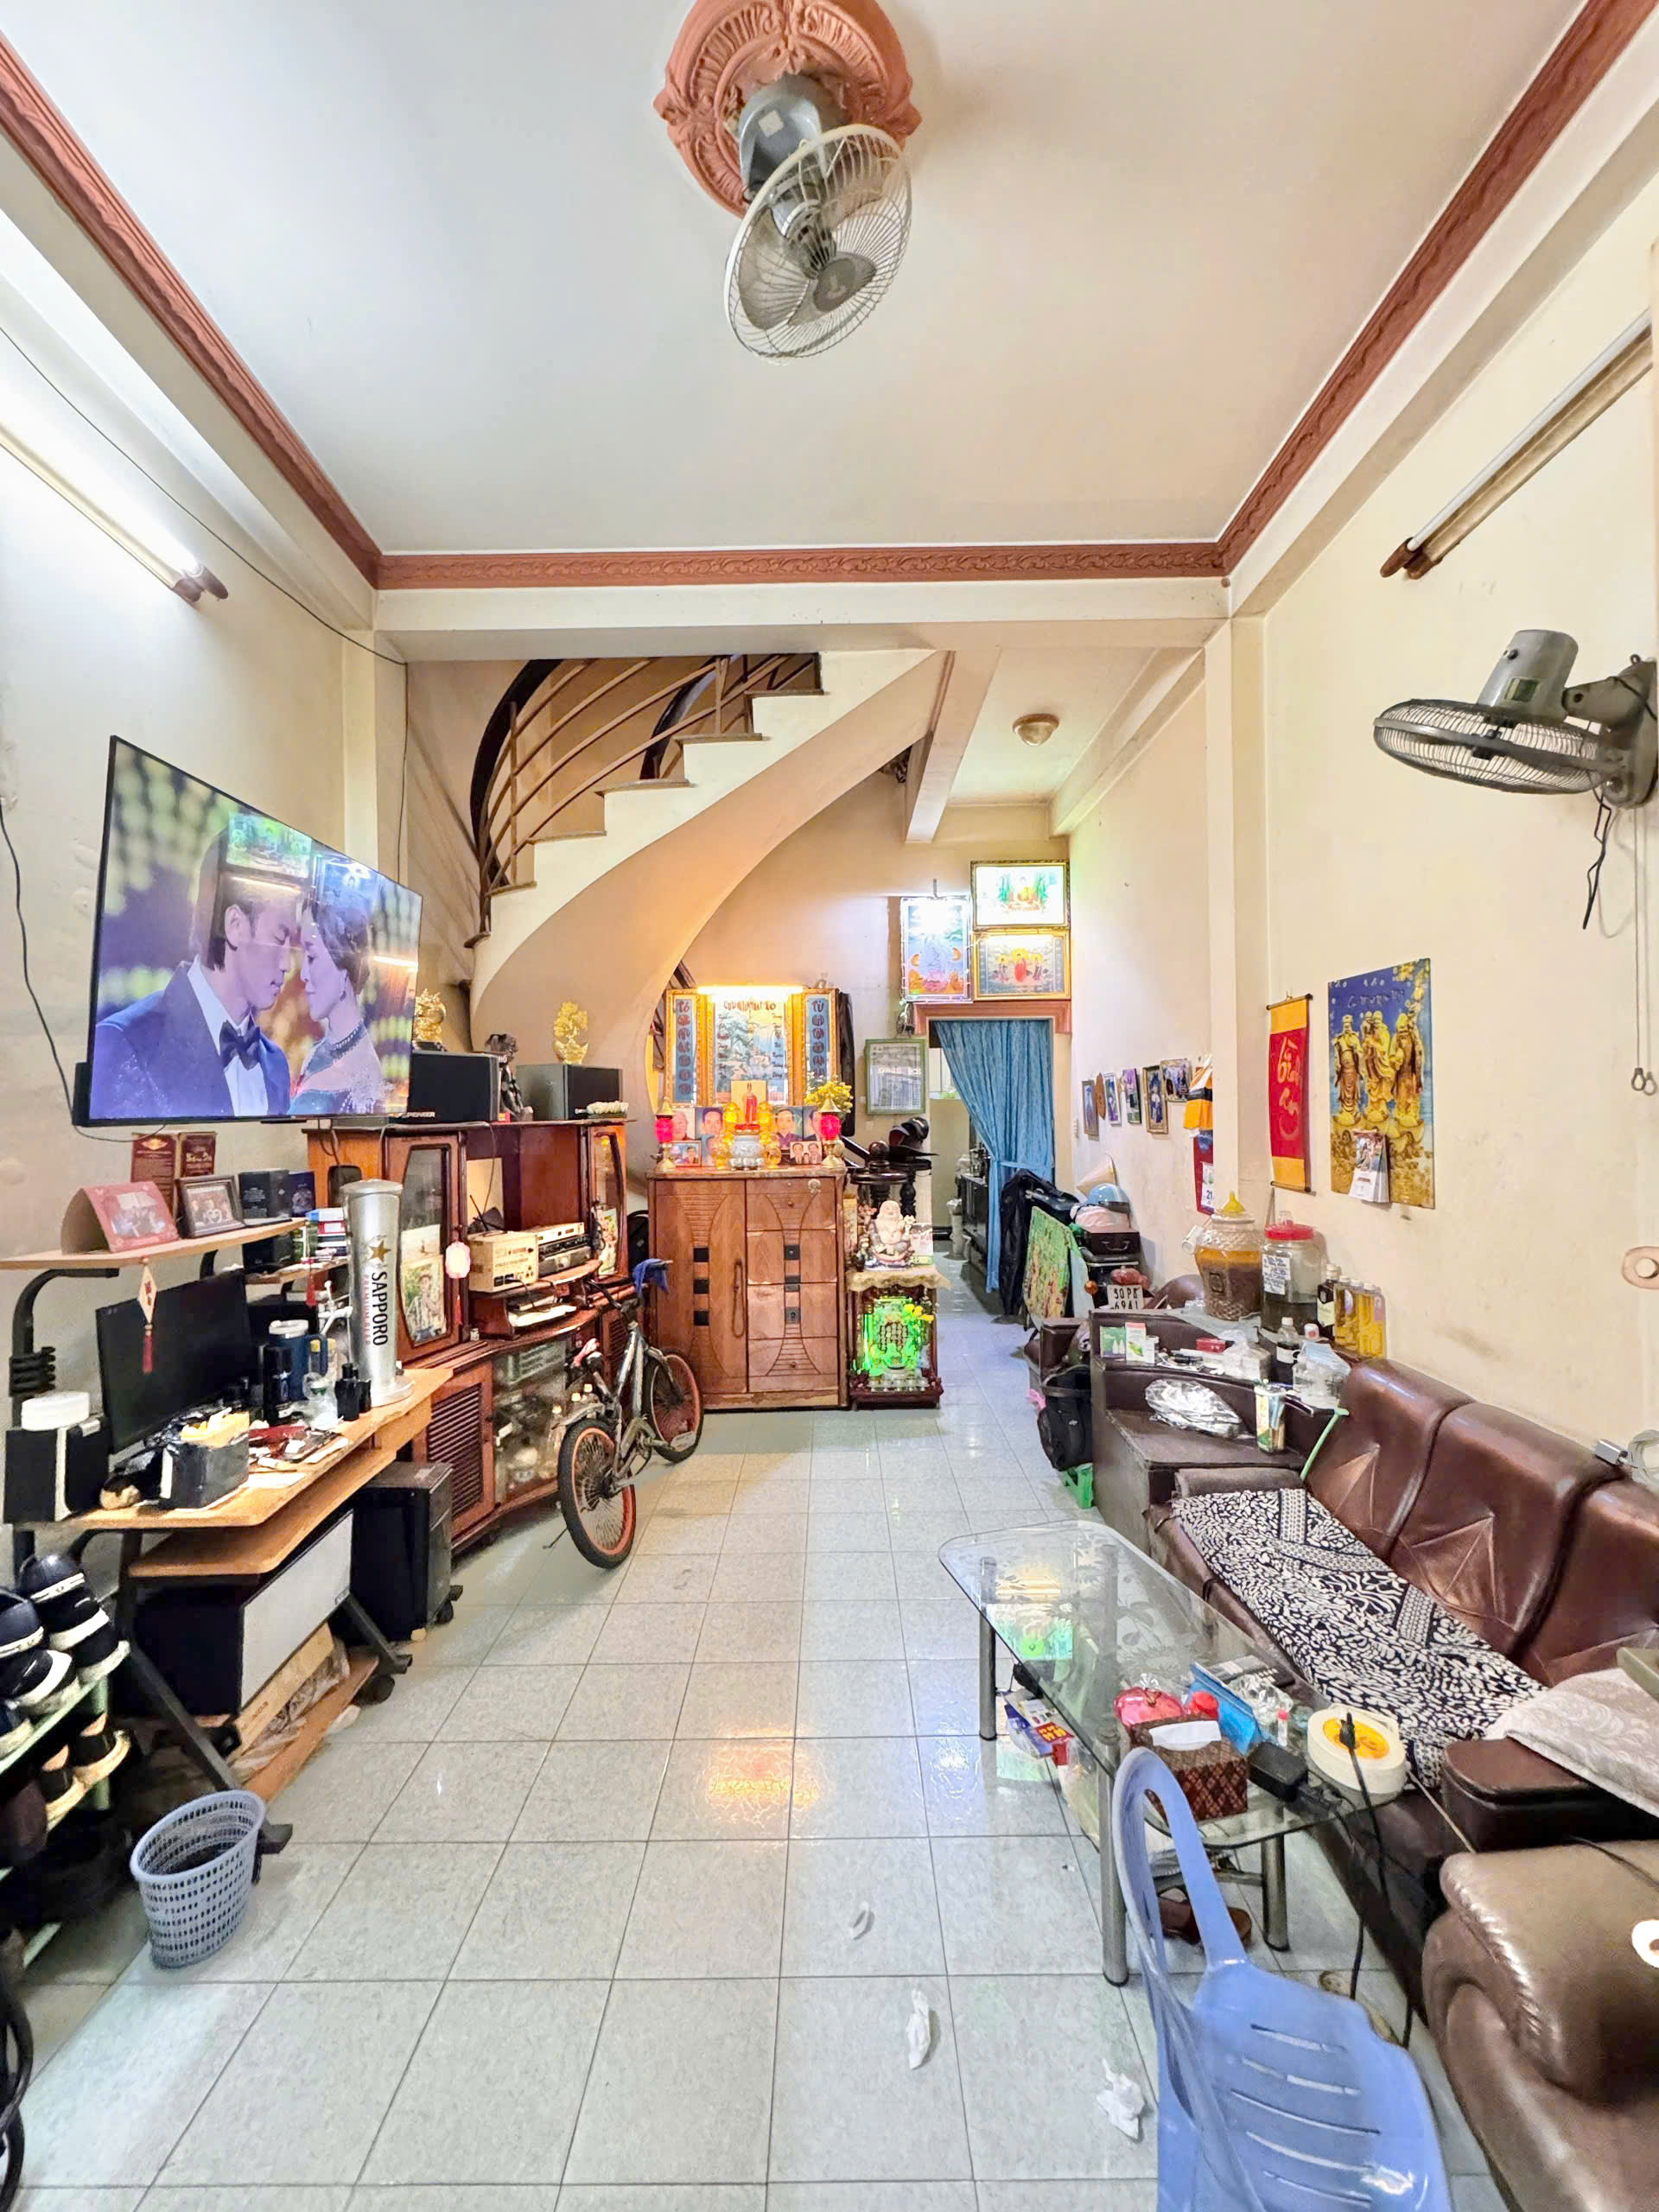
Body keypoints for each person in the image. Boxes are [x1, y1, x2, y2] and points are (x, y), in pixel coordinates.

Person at [90, 827, 299, 1120]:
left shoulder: (275, 1065)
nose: (287, 963)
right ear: (235, 925)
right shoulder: (126, 1043)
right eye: (279, 937)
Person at [289, 889, 385, 1115]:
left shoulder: (365, 1073)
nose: (303, 974)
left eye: (311, 957)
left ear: (344, 966)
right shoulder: (316, 1053)